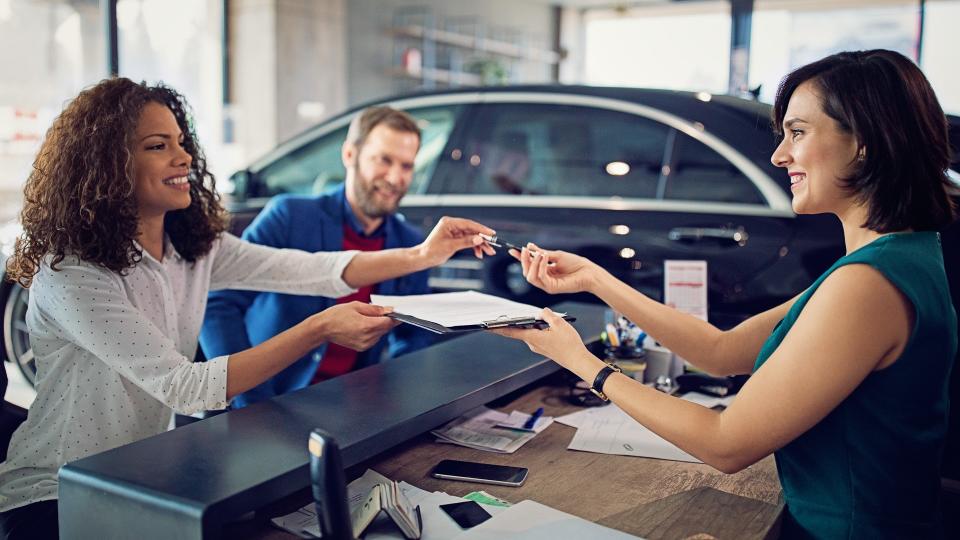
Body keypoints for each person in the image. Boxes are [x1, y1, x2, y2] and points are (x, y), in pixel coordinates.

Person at [0, 77, 495, 539]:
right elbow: (185, 386)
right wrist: (319, 327)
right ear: (106, 167)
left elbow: (310, 270)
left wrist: (422, 255)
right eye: (158, 146)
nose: (183, 157)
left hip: (141, 475)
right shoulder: (69, 271)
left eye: (180, 141)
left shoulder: (191, 247)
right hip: (55, 492)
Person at [494, 49, 957, 538]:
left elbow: (726, 444)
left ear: (864, 141)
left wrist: (580, 362)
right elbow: (721, 351)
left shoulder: (867, 285)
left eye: (797, 132)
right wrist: (596, 279)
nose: (780, 155)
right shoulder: (897, 258)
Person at [200, 106, 433, 408]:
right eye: (384, 160)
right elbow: (218, 305)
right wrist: (249, 401)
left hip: (351, 404)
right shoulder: (289, 216)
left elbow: (413, 338)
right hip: (271, 397)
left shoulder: (411, 245)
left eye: (406, 166)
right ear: (350, 155)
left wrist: (399, 401)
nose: (395, 177)